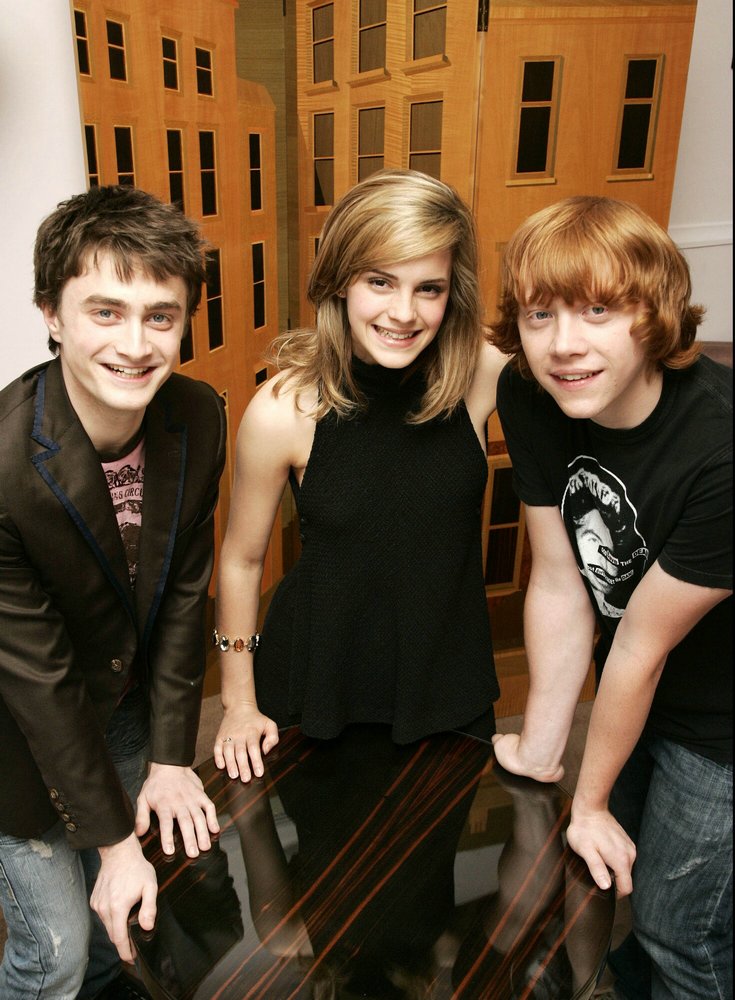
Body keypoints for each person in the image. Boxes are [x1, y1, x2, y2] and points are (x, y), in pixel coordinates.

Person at [489, 196, 732, 999]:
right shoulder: (532, 395)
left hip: (721, 721)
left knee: (676, 927)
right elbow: (561, 581)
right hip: (643, 689)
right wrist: (541, 750)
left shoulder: (721, 448)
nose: (563, 343)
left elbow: (639, 646)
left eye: (598, 310)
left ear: (653, 315)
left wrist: (586, 802)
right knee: (618, 886)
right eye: (540, 314)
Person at [0, 186, 227, 999]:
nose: (136, 345)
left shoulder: (197, 415)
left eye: (160, 316)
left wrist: (169, 755)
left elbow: (185, 593)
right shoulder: (3, 468)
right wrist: (113, 843)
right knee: (54, 956)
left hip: (127, 705)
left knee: (118, 936)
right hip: (18, 733)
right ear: (51, 315)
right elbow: (39, 678)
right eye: (105, 311)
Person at [212, 169, 506, 782]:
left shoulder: (481, 374)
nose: (404, 312)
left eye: (429, 288)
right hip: (317, 682)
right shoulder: (284, 409)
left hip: (448, 680)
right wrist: (237, 703)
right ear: (341, 280)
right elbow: (240, 561)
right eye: (380, 281)